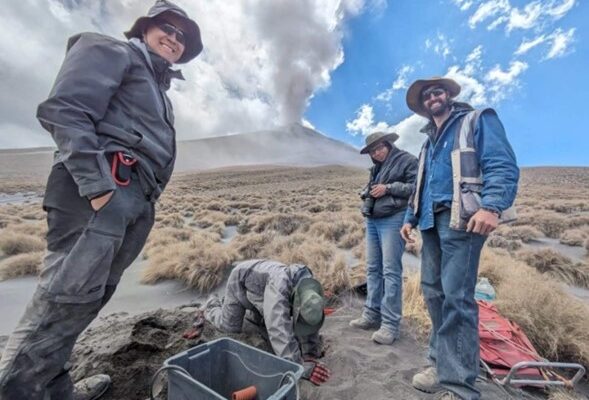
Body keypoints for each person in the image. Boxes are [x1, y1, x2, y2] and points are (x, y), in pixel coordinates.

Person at [0, 1, 203, 399]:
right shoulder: (112, 51)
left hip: (133, 201)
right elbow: (64, 109)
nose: (174, 39)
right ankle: (19, 391)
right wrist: (98, 188)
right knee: (63, 297)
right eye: (167, 28)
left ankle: (53, 388)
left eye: (183, 37)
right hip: (104, 192)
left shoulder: (158, 89)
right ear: (144, 29)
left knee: (88, 299)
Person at [400, 77, 519, 400]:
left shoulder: (477, 120)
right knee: (433, 294)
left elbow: (501, 164)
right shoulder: (428, 142)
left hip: (462, 221)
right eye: (426, 95)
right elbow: (421, 184)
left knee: (457, 298)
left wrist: (492, 206)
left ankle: (459, 384)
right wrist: (410, 218)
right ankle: (441, 364)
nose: (432, 97)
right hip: (430, 221)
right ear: (423, 105)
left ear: (449, 95)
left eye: (437, 91)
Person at [203, 259, 331, 386]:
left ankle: (237, 307)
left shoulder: (311, 291)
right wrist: (300, 366)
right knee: (229, 326)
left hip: (262, 291)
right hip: (240, 281)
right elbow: (278, 329)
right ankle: (212, 304)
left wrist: (310, 354)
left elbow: (309, 319)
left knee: (265, 318)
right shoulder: (280, 286)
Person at [349, 132, 417, 345]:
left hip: (394, 219)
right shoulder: (377, 168)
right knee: (372, 269)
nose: (376, 153)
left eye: (379, 148)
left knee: (390, 271)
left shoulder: (406, 160)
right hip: (373, 220)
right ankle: (371, 315)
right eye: (372, 151)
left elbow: (417, 187)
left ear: (388, 144)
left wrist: (388, 188)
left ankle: (390, 324)